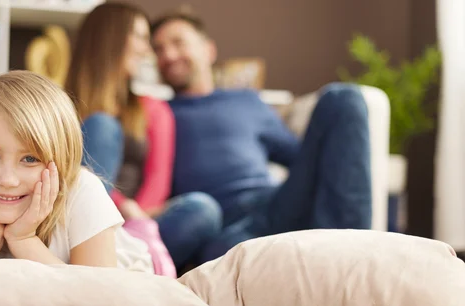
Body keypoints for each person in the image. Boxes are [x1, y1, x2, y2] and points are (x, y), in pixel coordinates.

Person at [150, 12, 373, 263]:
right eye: (158, 50)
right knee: (225, 255)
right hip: (222, 225)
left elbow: (304, 160)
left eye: (178, 43)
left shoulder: (247, 100)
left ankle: (353, 255)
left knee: (343, 98)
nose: (168, 55)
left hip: (276, 204)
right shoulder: (155, 113)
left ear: (208, 50)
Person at [0, 70, 154, 274]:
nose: (7, 180)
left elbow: (96, 297)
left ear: (62, 164)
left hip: (141, 256)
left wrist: (23, 240)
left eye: (30, 159)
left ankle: (146, 226)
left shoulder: (84, 190)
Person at [65, 3, 222, 273]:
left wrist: (131, 213)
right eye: (138, 36)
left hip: (134, 229)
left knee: (203, 209)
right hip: (76, 223)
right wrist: (120, 204)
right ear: (110, 38)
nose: (146, 49)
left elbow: (157, 185)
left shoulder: (154, 110)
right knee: (102, 125)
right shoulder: (59, 106)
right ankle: (98, 254)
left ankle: (115, 259)